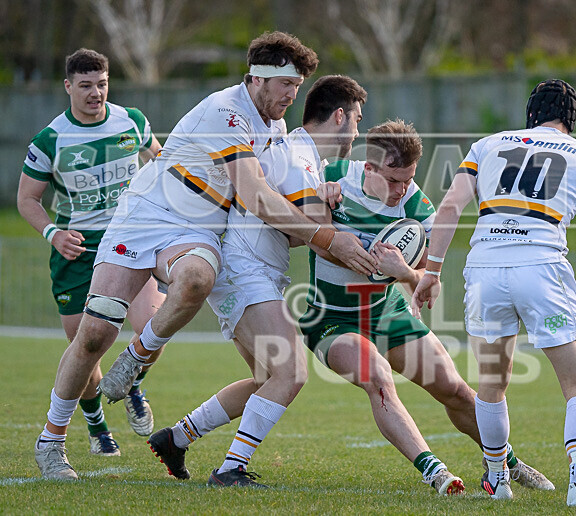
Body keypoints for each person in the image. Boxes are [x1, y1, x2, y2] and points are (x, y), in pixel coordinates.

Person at [34, 32, 375, 480]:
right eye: (287, 84)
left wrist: (321, 199)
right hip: (147, 212)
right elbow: (254, 195)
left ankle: (138, 356)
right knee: (95, 334)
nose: (294, 96)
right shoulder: (227, 111)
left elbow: (280, 200)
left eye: (298, 86)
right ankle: (51, 442)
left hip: (199, 227)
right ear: (257, 79)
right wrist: (329, 240)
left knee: (197, 280)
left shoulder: (273, 126)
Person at [295, 119, 554, 496]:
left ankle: (506, 463)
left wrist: (404, 272)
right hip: (332, 319)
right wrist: (318, 191)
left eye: (409, 179)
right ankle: (435, 472)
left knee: (457, 391)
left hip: (389, 313)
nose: (403, 191)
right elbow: (289, 195)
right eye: (394, 180)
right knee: (378, 378)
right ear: (369, 168)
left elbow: (429, 287)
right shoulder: (333, 175)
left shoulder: (418, 206)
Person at [412, 80, 576, 507]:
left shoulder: (486, 145)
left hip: (485, 269)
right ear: (570, 121)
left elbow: (449, 208)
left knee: (491, 385)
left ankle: (497, 480)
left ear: (529, 114)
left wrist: (432, 270)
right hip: (541, 267)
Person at [147, 74, 368, 488]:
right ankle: (230, 469)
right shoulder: (301, 156)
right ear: (340, 116)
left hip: (245, 271)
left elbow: (292, 230)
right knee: (292, 373)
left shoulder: (302, 154)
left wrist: (327, 200)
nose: (358, 130)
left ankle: (175, 438)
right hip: (245, 272)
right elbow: (322, 244)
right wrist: (376, 259)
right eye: (357, 119)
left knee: (266, 381)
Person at [19, 48, 164, 458]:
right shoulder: (50, 139)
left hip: (131, 240)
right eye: (85, 86)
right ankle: (97, 425)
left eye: (101, 84)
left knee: (154, 323)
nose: (95, 93)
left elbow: (159, 160)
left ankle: (133, 381)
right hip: (76, 252)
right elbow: (27, 198)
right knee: (85, 349)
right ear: (68, 87)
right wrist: (53, 233)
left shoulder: (131, 121)